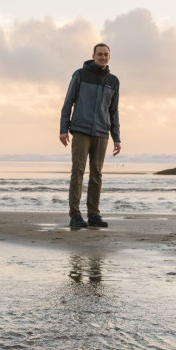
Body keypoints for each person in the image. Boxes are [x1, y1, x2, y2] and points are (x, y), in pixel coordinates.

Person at [59, 43, 121, 228]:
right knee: (77, 172)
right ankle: (75, 215)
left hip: (102, 133)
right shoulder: (80, 75)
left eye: (106, 55)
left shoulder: (113, 81)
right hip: (81, 130)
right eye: (100, 54)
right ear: (93, 56)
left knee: (97, 174)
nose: (103, 57)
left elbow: (114, 111)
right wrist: (63, 128)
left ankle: (94, 214)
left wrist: (116, 137)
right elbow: (68, 101)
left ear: (109, 57)